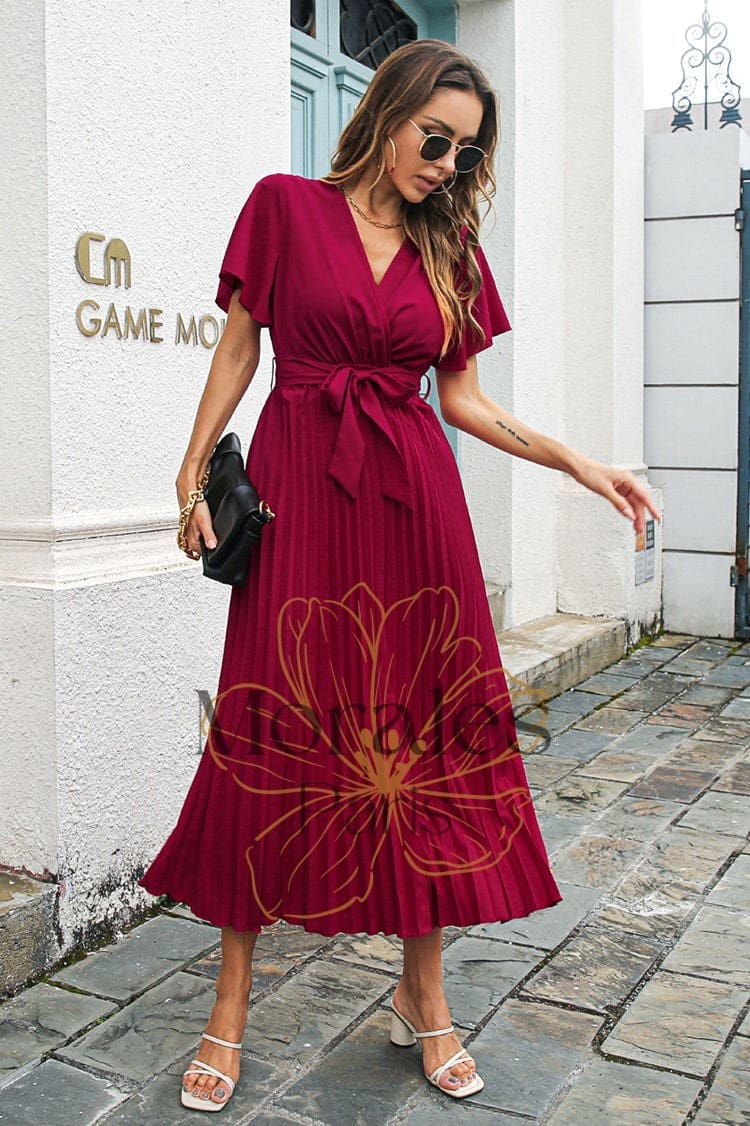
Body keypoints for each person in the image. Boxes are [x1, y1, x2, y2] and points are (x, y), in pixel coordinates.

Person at [139, 38, 661, 1112]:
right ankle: (228, 1007)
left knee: (420, 741)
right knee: (270, 725)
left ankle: (424, 997)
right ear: (388, 111)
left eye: (466, 152)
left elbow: (461, 400)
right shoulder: (284, 207)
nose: (447, 164)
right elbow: (239, 349)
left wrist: (580, 464)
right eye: (436, 139)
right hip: (299, 494)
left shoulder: (450, 248)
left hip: (416, 507)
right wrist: (190, 472)